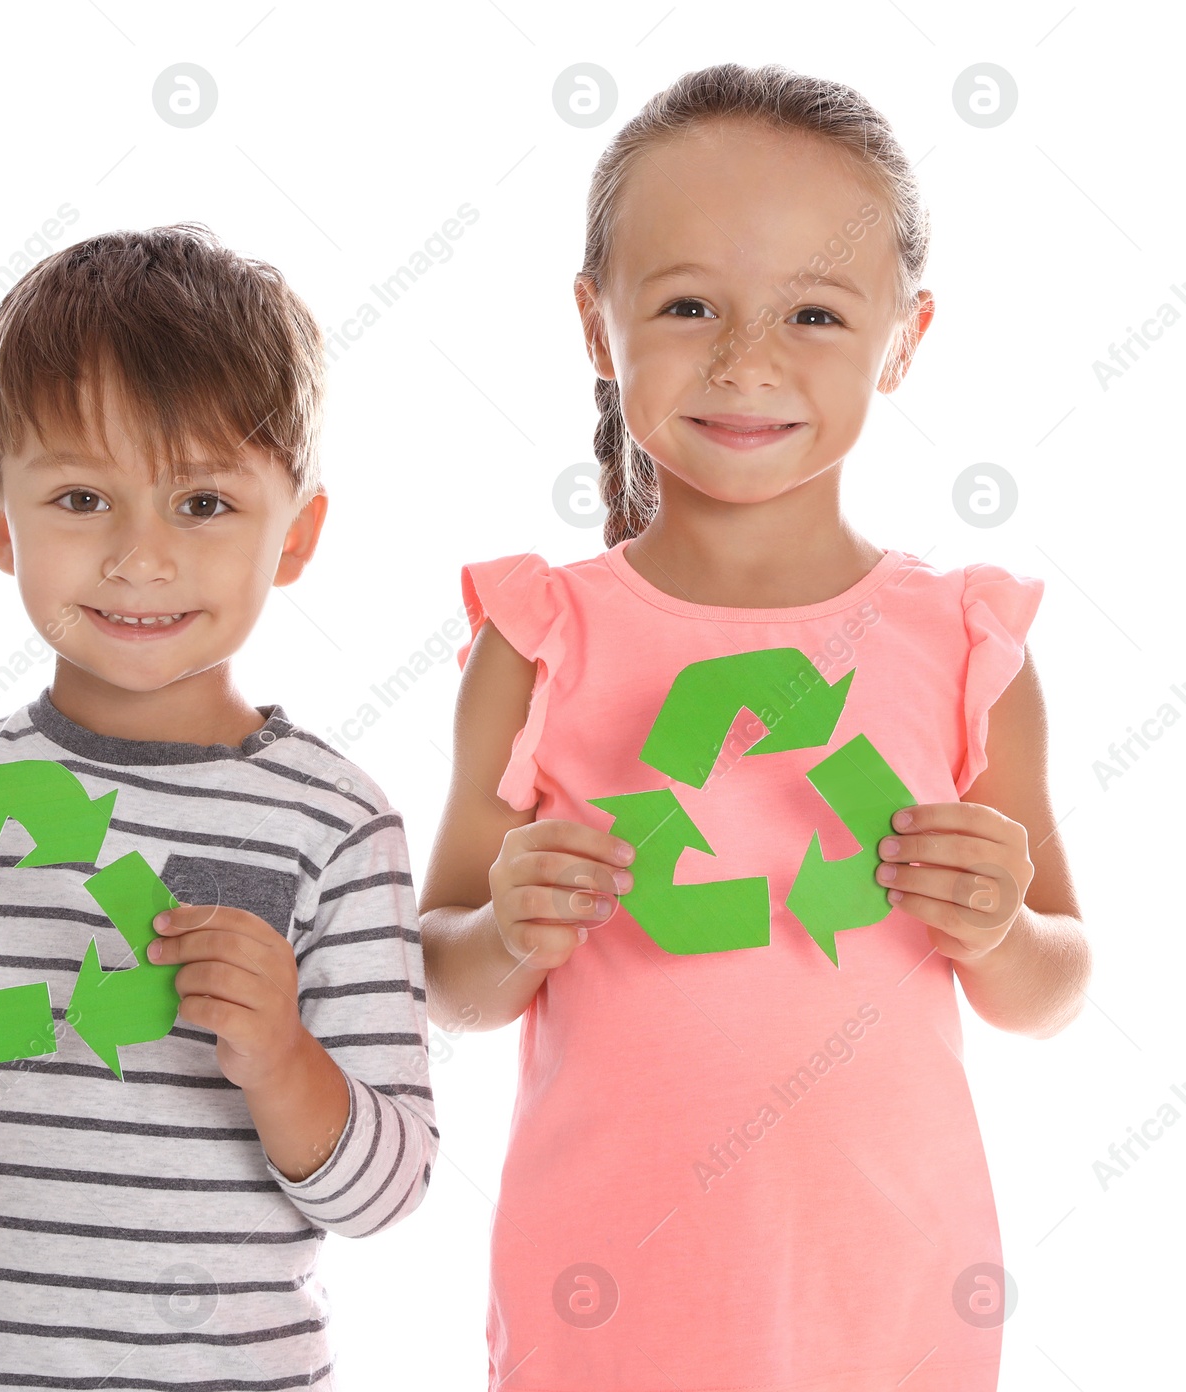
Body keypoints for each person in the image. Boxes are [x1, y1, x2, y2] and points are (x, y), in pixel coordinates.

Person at [419, 62, 1090, 1392]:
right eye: (685, 305)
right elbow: (445, 972)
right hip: (607, 1306)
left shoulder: (967, 646)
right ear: (598, 328)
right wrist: (507, 929)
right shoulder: (540, 636)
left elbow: (1057, 986)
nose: (746, 361)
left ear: (907, 336)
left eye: (816, 313)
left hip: (887, 1301)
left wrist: (1001, 931)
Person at [0, 224, 437, 1389]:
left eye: (204, 505)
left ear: (299, 535)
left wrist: (280, 1058)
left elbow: (389, 1192)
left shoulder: (334, 823)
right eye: (82, 497)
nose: (139, 557)